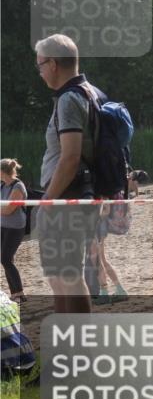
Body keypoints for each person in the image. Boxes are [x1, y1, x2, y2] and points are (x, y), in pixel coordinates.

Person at [34, 33, 105, 314]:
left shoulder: (69, 99)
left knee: (68, 277)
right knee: (60, 276)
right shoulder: (90, 91)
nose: (39, 72)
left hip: (67, 197)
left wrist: (48, 201)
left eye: (40, 65)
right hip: (77, 194)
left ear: (52, 64)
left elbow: (71, 157)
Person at [0, 160, 27, 303]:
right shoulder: (2, 185)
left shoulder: (18, 186)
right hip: (3, 226)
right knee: (7, 259)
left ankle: (20, 292)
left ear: (2, 172)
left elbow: (8, 210)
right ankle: (15, 293)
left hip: (15, 227)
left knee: (4, 258)